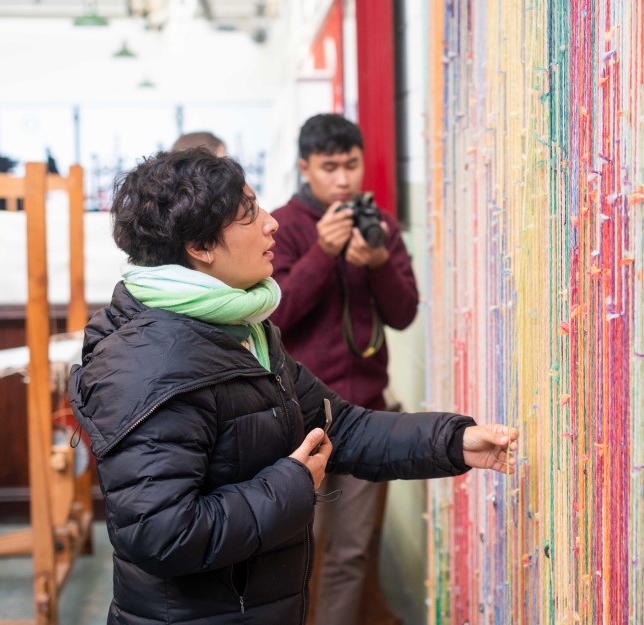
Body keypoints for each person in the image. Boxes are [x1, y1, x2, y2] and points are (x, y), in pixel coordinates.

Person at [68, 148, 517, 624]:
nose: (271, 224)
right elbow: (163, 535)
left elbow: (337, 427)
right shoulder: (153, 364)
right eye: (248, 216)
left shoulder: (241, 329)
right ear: (200, 246)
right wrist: (292, 483)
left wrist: (455, 441)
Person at [268, 113, 414, 625]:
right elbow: (276, 316)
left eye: (351, 165)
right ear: (305, 167)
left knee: (350, 554)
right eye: (330, 167)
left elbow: (403, 313)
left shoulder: (380, 226)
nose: (344, 179)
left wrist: (376, 260)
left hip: (366, 414)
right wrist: (323, 252)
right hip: (297, 416)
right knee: (292, 552)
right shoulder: (280, 227)